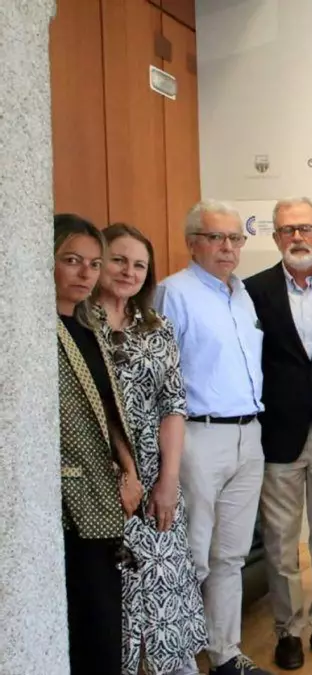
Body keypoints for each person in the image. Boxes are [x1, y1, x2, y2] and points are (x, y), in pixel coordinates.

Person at [156, 199, 271, 675]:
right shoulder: (173, 293)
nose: (228, 247)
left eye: (235, 238)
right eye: (216, 237)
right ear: (192, 243)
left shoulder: (241, 294)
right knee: (193, 555)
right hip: (198, 438)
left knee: (230, 555)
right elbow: (162, 376)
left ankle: (225, 654)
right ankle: (181, 660)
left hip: (249, 435)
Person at [243, 198, 312, 670]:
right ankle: (288, 631)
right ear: (274, 238)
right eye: (287, 230)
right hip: (279, 434)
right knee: (280, 542)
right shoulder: (251, 291)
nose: (297, 237)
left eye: (305, 228)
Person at [95, 223, 206, 675]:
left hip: (156, 471)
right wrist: (123, 473)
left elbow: (173, 405)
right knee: (116, 590)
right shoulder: (79, 327)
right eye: (119, 260)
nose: (129, 271)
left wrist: (168, 480)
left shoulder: (157, 328)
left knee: (165, 583)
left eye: (139, 265)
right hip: (101, 474)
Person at [54, 213, 140, 674]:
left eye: (93, 263)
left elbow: (109, 409)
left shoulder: (88, 324)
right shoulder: (35, 331)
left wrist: (130, 472)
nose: (85, 273)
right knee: (80, 621)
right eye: (72, 260)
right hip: (66, 501)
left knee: (103, 620)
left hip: (103, 494)